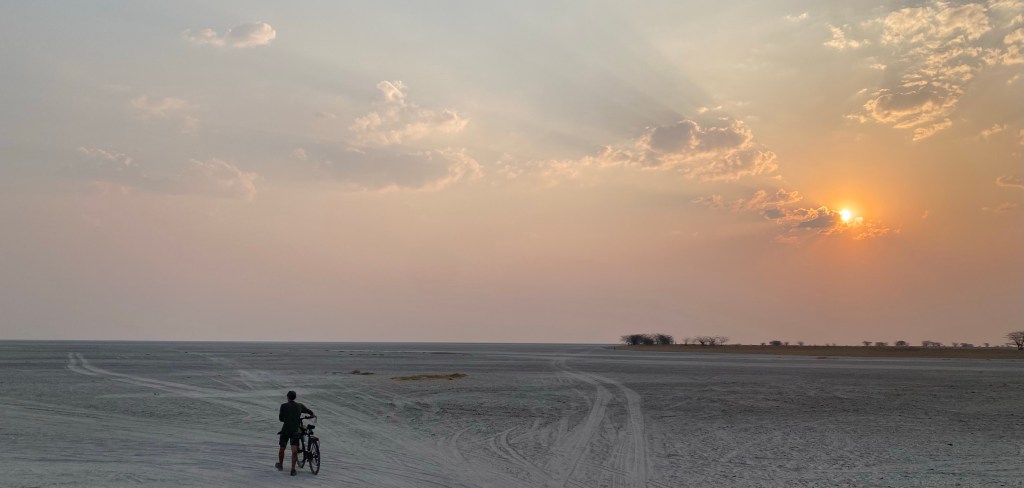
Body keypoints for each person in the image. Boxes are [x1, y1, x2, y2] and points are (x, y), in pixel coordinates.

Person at [276, 390, 314, 475]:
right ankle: (293, 469)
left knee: (282, 448)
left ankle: (280, 465)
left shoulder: (283, 406)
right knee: (294, 451)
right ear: (295, 397)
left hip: (285, 430)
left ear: (288, 397)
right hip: (295, 431)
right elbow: (308, 411)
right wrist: (312, 414)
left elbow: (281, 419)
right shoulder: (299, 406)